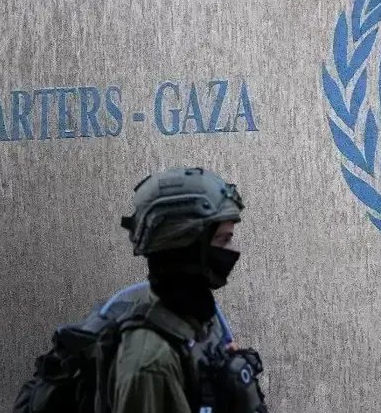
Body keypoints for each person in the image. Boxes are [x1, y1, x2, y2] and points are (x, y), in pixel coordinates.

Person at [107, 166, 268, 412]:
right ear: (188, 247)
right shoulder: (151, 361)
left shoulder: (201, 319)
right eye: (224, 239)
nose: (233, 250)